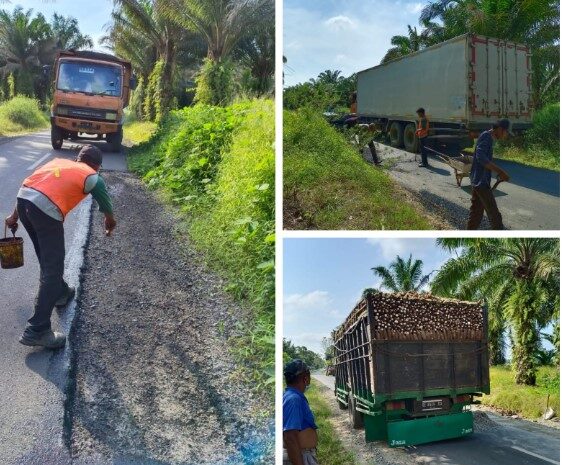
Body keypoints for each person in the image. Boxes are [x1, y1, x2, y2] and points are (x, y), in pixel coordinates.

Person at [4, 145, 116, 349]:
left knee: (47, 259)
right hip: (45, 211)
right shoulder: (92, 176)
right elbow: (107, 207)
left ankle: (61, 292)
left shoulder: (58, 163)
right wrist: (110, 221)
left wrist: (13, 216)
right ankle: (37, 330)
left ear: (77, 158)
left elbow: (29, 185)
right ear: (98, 166)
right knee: (53, 269)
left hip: (24, 202)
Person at [467, 119, 512, 230]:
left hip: (478, 181)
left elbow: (483, 159)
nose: (505, 136)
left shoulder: (488, 137)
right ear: (500, 129)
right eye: (506, 132)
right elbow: (481, 158)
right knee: (495, 216)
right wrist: (501, 172)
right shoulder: (486, 136)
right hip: (481, 183)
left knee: (476, 214)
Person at [283, 359, 319, 465]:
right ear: (305, 378)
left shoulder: (291, 397)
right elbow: (290, 437)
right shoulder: (293, 400)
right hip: (299, 456)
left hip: (302, 454)